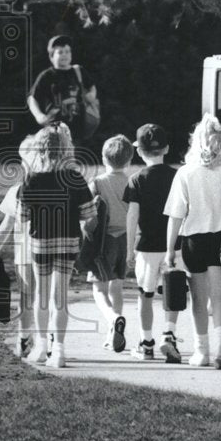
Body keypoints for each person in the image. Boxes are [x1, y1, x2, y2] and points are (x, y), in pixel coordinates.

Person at [18, 123, 96, 368]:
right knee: (59, 296)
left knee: (42, 295)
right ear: (65, 149)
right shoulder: (74, 176)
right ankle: (59, 350)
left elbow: (22, 216)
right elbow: (88, 216)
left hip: (40, 241)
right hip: (69, 240)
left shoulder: (32, 178)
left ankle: (42, 347)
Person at [163, 114, 221, 369]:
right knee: (220, 297)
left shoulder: (186, 173)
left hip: (194, 239)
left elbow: (176, 215)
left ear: (195, 142)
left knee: (199, 299)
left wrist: (170, 250)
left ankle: (201, 352)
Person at [124, 124, 184, 362]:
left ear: (139, 151)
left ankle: (146, 342)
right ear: (166, 148)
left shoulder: (136, 180)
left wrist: (129, 249)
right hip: (174, 245)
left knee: (145, 295)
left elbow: (132, 217)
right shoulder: (178, 176)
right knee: (173, 293)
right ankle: (168, 335)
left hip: (147, 246)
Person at [0, 135, 38, 357]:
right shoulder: (58, 190)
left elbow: (7, 224)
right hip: (52, 253)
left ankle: (25, 338)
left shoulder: (17, 190)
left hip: (25, 253)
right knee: (50, 297)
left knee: (26, 297)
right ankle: (49, 339)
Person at [87, 134, 134, 353]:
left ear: (104, 159)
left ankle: (113, 319)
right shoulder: (132, 181)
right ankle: (111, 334)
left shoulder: (97, 182)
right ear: (129, 160)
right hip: (125, 239)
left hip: (103, 242)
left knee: (99, 289)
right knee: (117, 287)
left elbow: (86, 212)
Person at [27, 35, 98, 144]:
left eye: (67, 51)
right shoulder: (47, 76)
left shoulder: (78, 71)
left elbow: (91, 86)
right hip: (54, 130)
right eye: (60, 52)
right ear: (51, 57)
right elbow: (32, 98)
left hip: (79, 128)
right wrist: (39, 115)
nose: (65, 54)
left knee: (77, 157)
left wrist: (92, 95)